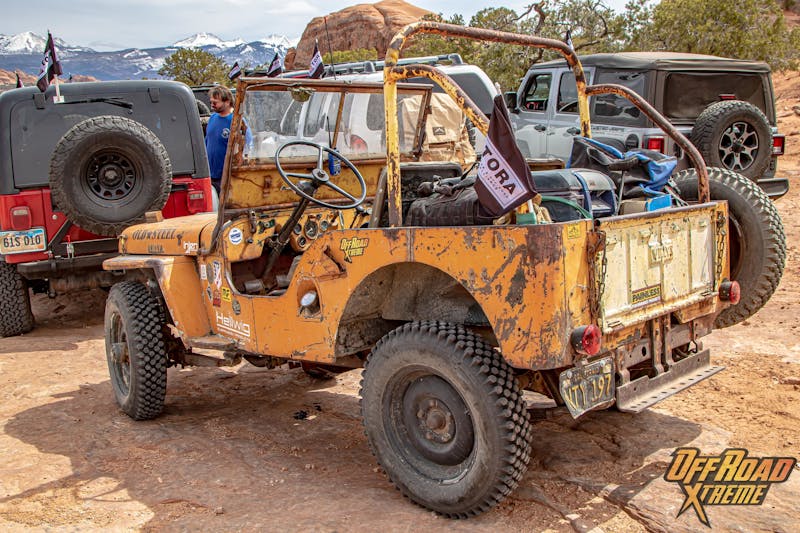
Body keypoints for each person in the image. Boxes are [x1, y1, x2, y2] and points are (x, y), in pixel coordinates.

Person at [205, 86, 235, 193]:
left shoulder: (235, 121)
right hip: (211, 174)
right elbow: (207, 141)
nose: (212, 105)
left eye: (215, 102)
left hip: (227, 176)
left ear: (227, 102)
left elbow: (247, 144)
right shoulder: (213, 118)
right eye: (211, 102)